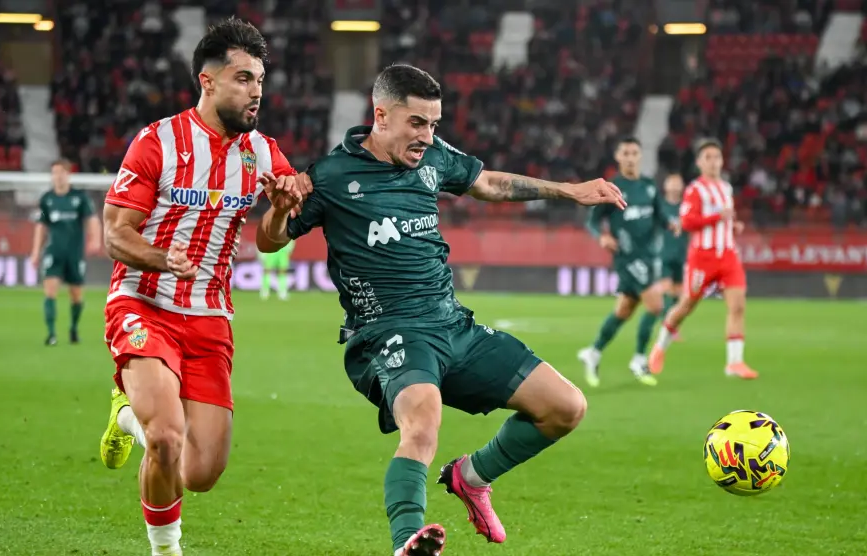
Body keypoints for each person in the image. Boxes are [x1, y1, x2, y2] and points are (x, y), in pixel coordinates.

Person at [255, 64, 625, 556]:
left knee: (566, 408)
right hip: (388, 332)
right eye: (417, 123)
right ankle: (406, 544)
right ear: (381, 116)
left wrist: (569, 191)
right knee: (423, 425)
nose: (427, 136)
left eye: (433, 124)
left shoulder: (433, 156)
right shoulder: (331, 176)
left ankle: (471, 477)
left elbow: (488, 183)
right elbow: (269, 240)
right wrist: (280, 210)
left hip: (453, 325)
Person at [96, 18, 303, 556]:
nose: (256, 91)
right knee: (166, 438)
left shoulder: (263, 153)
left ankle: (126, 415)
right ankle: (166, 550)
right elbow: (115, 235)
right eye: (243, 78)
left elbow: (272, 242)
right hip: (143, 303)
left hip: (210, 316)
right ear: (207, 82)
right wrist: (162, 259)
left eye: (260, 80)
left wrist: (281, 212)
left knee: (200, 472)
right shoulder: (158, 141)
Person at [649, 139, 758, 379]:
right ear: (699, 162)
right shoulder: (695, 190)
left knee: (738, 306)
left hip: (728, 255)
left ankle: (735, 362)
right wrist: (718, 217)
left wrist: (732, 226)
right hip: (702, 258)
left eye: (717, 157)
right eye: (708, 157)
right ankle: (660, 346)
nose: (713, 162)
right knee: (686, 305)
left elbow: (725, 218)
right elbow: (687, 222)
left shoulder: (726, 188)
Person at [576, 137, 674, 387]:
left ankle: (593, 352)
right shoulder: (612, 188)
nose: (630, 158)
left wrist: (671, 223)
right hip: (627, 256)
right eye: (626, 153)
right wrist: (602, 236)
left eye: (634, 153)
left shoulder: (649, 185)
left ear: (640, 156)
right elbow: (592, 221)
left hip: (648, 255)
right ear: (618, 157)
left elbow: (660, 214)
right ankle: (639, 359)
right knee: (656, 305)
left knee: (624, 310)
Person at [30, 158, 101, 346]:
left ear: (68, 174)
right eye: (54, 172)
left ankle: (73, 328)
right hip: (54, 252)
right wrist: (36, 252)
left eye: (61, 172)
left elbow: (92, 220)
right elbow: (41, 226)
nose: (58, 176)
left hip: (74, 253)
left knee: (76, 295)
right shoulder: (47, 199)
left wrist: (95, 240)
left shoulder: (80, 198)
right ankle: (51, 334)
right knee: (50, 292)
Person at [655, 173, 688, 339]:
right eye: (672, 183)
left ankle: (671, 324)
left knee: (678, 292)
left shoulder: (686, 207)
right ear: (666, 186)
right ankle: (668, 328)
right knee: (666, 288)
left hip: (682, 254)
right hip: (664, 253)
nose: (675, 187)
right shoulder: (660, 206)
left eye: (677, 183)